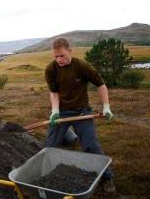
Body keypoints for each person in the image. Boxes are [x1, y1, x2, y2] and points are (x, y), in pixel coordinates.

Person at [45, 37, 116, 193]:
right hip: (62, 112)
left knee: (90, 145)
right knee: (50, 146)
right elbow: (54, 92)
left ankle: (107, 177)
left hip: (82, 111)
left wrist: (106, 107)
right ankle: (48, 176)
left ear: (70, 51)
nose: (59, 59)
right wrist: (55, 111)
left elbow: (101, 85)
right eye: (55, 56)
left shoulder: (82, 66)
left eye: (62, 55)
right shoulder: (51, 69)